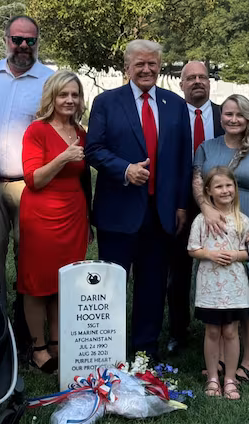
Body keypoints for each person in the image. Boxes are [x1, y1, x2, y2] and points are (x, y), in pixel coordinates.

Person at [85, 39, 192, 359]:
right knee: (113, 285)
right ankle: (110, 349)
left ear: (160, 66)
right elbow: (94, 149)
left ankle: (145, 350)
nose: (146, 69)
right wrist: (125, 169)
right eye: (139, 64)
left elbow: (183, 159)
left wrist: (182, 204)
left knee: (152, 286)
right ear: (127, 68)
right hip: (118, 209)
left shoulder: (174, 104)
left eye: (152, 63)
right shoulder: (106, 102)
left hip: (160, 212)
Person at [0, 16, 54, 351]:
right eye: (17, 39)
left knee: (31, 261)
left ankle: (31, 334)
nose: (23, 47)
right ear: (6, 39)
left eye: (30, 40)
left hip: (32, 186)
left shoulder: (49, 80)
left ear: (37, 42)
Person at [193, 94, 249, 382]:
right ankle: (218, 360)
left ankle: (248, 362)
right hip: (215, 228)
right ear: (221, 117)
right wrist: (206, 209)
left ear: (248, 118)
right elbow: (197, 182)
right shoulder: (207, 147)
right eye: (228, 114)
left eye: (239, 115)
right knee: (218, 287)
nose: (233, 119)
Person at [18, 70, 92, 373]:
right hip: (40, 215)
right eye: (64, 94)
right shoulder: (36, 131)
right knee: (37, 283)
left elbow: (85, 177)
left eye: (74, 95)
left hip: (73, 213)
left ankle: (58, 343)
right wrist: (64, 157)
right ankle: (37, 348)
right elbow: (34, 179)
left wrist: (89, 218)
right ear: (52, 97)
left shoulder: (82, 132)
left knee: (64, 282)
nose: (70, 100)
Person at [167, 60, 224, 355]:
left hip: (221, 202)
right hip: (181, 203)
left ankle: (223, 326)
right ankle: (179, 330)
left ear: (210, 82)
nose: (198, 81)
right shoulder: (171, 115)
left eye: (203, 76)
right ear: (181, 84)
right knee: (179, 269)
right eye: (191, 78)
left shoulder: (224, 114)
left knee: (222, 263)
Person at [188, 167, 249, 400]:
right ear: (209, 191)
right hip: (210, 288)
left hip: (235, 288)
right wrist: (210, 254)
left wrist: (236, 255)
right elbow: (192, 248)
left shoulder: (243, 220)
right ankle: (213, 377)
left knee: (231, 332)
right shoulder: (201, 220)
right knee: (213, 331)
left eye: (228, 185)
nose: (225, 190)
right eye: (219, 186)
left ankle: (231, 379)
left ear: (235, 188)